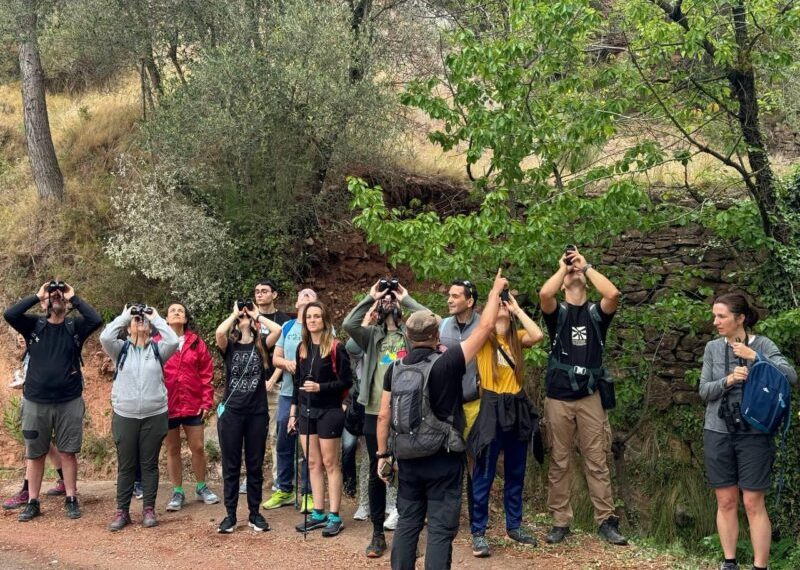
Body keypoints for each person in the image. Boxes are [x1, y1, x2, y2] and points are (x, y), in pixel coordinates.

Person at [377, 269, 507, 570]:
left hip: (407, 458)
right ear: (437, 336)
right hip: (443, 459)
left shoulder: (394, 369)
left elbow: (384, 415)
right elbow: (486, 326)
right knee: (439, 529)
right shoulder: (447, 362)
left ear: (408, 337)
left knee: (408, 522)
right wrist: (494, 290)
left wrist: (382, 455)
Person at [699, 293, 797, 570]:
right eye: (714, 316)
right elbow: (704, 391)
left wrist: (756, 358)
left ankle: (759, 566)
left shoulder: (763, 344)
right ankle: (729, 563)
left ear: (740, 318)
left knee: (753, 501)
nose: (715, 321)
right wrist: (728, 380)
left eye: (722, 316)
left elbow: (790, 377)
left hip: (755, 433)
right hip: (718, 430)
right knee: (726, 499)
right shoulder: (712, 349)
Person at [538, 246, 627, 545]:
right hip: (559, 397)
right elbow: (544, 295)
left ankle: (605, 520)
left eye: (577, 271)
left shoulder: (596, 314)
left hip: (590, 395)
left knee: (597, 459)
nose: (573, 272)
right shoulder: (558, 313)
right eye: (568, 272)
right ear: (563, 280)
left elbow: (613, 294)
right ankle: (560, 521)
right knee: (559, 460)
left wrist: (585, 267)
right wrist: (564, 268)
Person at [343, 279, 429, 557]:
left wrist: (405, 297)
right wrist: (371, 298)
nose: (389, 300)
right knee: (377, 471)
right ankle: (378, 533)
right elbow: (348, 325)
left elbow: (431, 320)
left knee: (409, 473)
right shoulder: (371, 336)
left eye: (392, 297)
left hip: (407, 411)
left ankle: (407, 533)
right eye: (387, 298)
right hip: (373, 412)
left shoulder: (411, 336)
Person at [4, 281, 103, 521]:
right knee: (35, 454)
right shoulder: (33, 325)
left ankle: (71, 498)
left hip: (68, 400)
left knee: (68, 452)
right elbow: (10, 314)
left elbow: (96, 319)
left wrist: (73, 296)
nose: (56, 298)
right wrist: (39, 295)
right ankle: (33, 501)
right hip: (35, 400)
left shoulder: (75, 326)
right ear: (45, 302)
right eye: (53, 295)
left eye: (60, 296)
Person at [468, 290, 544, 557]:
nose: (501, 306)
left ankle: (514, 526)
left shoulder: (517, 339)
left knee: (516, 472)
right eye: (498, 304)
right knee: (484, 473)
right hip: (491, 408)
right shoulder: (484, 338)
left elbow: (538, 335)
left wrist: (516, 309)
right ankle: (478, 532)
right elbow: (485, 323)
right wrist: (493, 299)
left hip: (517, 407)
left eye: (505, 304)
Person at [100, 305, 179, 531]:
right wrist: (125, 316)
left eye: (143, 320)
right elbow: (105, 336)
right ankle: (122, 511)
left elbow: (173, 341)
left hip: (154, 415)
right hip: (125, 415)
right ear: (128, 327)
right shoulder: (120, 350)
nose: (140, 322)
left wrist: (157, 318)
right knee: (126, 466)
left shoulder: (157, 350)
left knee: (149, 465)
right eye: (136, 320)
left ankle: (149, 509)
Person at [214, 301, 282, 533]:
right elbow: (219, 332)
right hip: (232, 413)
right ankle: (230, 515)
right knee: (231, 466)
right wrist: (234, 314)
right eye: (240, 317)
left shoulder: (261, 345)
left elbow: (278, 331)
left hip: (256, 413)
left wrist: (257, 315)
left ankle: (255, 513)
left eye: (246, 316)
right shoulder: (229, 347)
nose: (244, 317)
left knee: (255, 465)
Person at [289, 301, 353, 537]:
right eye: (309, 317)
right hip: (306, 411)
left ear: (325, 320)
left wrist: (321, 387)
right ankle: (318, 512)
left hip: (329, 410)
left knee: (330, 463)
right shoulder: (301, 348)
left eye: (317, 316)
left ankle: (335, 516)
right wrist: (293, 412)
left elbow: (347, 381)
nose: (313, 320)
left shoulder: (336, 347)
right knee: (313, 463)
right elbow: (297, 384)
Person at [161, 302, 220, 512]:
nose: (177, 313)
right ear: (166, 319)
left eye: (181, 311)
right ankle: (177, 491)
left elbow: (206, 373)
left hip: (193, 403)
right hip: (166, 405)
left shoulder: (196, 342)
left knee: (197, 447)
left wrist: (206, 401)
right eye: (172, 310)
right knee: (172, 449)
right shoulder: (157, 341)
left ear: (186, 319)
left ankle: (201, 486)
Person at [261, 288, 316, 511]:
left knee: (310, 446)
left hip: (312, 395)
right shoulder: (288, 327)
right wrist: (288, 364)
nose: (306, 299)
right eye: (303, 295)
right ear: (296, 303)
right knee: (284, 440)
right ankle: (284, 488)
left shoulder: (322, 326)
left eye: (311, 296)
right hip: (286, 393)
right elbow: (275, 358)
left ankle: (309, 493)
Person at [3, 334, 71, 509]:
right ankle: (64, 479)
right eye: (17, 334)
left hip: (43, 404)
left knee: (33, 447)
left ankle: (27, 492)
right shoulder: (28, 353)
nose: (19, 337)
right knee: (44, 445)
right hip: (33, 401)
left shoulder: (39, 352)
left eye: (22, 333)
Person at [253, 279, 290, 495]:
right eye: (257, 291)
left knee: (276, 435)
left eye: (264, 291)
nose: (260, 295)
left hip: (275, 386)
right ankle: (252, 477)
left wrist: (273, 379)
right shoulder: (248, 318)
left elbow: (285, 354)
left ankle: (279, 479)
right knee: (253, 435)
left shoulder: (283, 321)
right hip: (251, 388)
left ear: (274, 294)